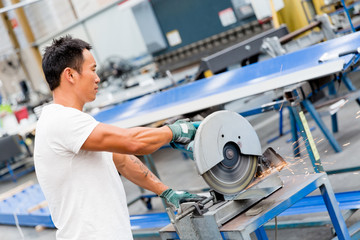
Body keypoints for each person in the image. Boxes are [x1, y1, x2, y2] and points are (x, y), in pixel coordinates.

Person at [34, 35, 205, 240]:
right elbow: (132, 142)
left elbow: (122, 159)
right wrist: (176, 131)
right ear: (70, 75)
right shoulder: (61, 121)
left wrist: (166, 192)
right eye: (93, 70)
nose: (98, 78)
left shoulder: (73, 122)